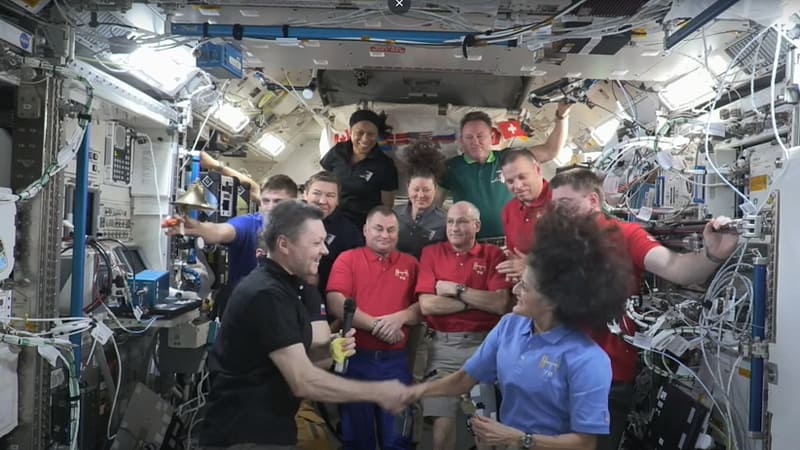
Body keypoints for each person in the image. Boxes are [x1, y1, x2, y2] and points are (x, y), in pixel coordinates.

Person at [407, 205, 635, 450]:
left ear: (552, 299)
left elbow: (585, 443)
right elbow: (464, 378)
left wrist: (518, 438)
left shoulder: (588, 360)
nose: (515, 291)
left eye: (524, 287)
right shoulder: (510, 326)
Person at [549, 168, 740, 450]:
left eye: (565, 204)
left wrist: (712, 255)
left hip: (606, 378)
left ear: (592, 200)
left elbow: (678, 268)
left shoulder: (625, 236)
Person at [199, 201, 412, 450]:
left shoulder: (291, 288)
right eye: (316, 243)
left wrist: (327, 349)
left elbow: (299, 359)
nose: (325, 250)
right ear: (284, 244)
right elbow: (303, 381)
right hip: (244, 433)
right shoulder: (266, 293)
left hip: (273, 427)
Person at [415, 201, 511, 450]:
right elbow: (427, 305)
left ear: (476, 226)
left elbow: (500, 304)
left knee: (486, 432)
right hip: (442, 349)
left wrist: (456, 290)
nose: (454, 227)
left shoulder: (493, 255)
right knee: (441, 432)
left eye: (462, 221)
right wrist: (475, 301)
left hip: (485, 348)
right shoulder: (432, 253)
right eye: (450, 222)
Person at [326, 206, 422, 450]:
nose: (385, 235)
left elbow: (422, 307)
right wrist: (378, 326)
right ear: (365, 230)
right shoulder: (347, 259)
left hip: (396, 363)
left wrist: (400, 317)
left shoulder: (411, 264)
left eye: (391, 230)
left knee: (398, 439)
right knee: (357, 439)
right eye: (378, 228)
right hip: (355, 360)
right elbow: (336, 302)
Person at [437, 103, 571, 240]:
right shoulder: (450, 167)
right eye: (469, 137)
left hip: (513, 241)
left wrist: (562, 116)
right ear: (461, 141)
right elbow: (435, 207)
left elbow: (550, 150)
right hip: (471, 244)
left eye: (480, 136)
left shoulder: (509, 158)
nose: (475, 142)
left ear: (492, 137)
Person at [164, 174, 298, 286]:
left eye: (278, 202)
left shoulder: (303, 232)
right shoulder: (249, 224)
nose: (270, 207)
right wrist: (199, 227)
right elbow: (220, 231)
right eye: (266, 201)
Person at [321, 109, 399, 228]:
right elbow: (323, 182)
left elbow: (386, 206)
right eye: (360, 133)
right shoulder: (338, 151)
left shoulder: (385, 165)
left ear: (377, 135)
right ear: (350, 132)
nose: (365, 139)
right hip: (331, 218)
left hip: (362, 225)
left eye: (371, 134)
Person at [495, 149, 553, 284]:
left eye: (522, 177)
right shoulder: (508, 210)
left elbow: (582, 249)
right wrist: (512, 270)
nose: (517, 186)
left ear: (537, 170)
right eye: (510, 181)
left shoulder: (562, 200)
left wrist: (533, 264)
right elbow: (513, 255)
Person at [302, 171, 364, 295]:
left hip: (328, 294)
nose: (322, 201)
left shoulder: (348, 231)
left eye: (330, 195)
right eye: (316, 193)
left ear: (338, 200)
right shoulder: (289, 221)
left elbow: (355, 272)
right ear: (305, 195)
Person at [394, 139, 447, 259]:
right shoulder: (394, 215)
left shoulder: (445, 222)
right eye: (416, 189)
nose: (421, 195)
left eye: (426, 190)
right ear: (408, 187)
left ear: (435, 189)